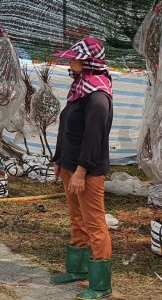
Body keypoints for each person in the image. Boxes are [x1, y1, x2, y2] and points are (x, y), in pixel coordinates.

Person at [50, 37, 114, 299]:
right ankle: (77, 270)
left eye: (74, 58)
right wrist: (59, 160)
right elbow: (66, 128)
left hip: (86, 169)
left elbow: (93, 137)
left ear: (88, 61)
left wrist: (81, 170)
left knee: (94, 221)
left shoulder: (98, 97)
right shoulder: (79, 90)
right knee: (76, 217)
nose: (70, 61)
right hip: (69, 164)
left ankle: (101, 285)